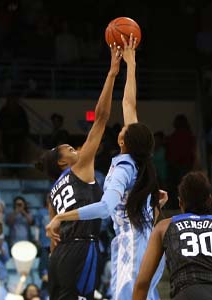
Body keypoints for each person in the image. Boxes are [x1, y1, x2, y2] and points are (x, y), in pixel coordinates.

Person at [46, 34, 166, 300]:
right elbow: (129, 104)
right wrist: (129, 65)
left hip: (133, 241)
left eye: (124, 129)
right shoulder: (139, 158)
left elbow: (104, 208)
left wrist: (60, 217)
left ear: (125, 140)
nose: (122, 126)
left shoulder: (125, 168)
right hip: (139, 239)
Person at [36, 42, 122, 300]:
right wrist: (112, 73)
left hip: (58, 258)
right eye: (69, 149)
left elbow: (53, 237)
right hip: (81, 249)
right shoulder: (81, 167)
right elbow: (101, 118)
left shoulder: (52, 193)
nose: (76, 149)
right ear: (63, 163)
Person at [133, 171, 212, 300]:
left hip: (188, 292)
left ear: (180, 202)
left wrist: (155, 209)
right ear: (209, 200)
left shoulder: (164, 227)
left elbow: (142, 283)